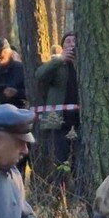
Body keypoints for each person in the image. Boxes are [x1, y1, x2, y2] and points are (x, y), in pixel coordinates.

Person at [35, 33, 80, 171]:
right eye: (68, 41)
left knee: (79, 158)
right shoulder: (57, 64)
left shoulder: (85, 64)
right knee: (59, 158)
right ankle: (60, 183)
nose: (71, 44)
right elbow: (39, 75)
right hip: (57, 118)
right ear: (62, 46)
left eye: (74, 41)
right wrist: (60, 60)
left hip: (80, 119)